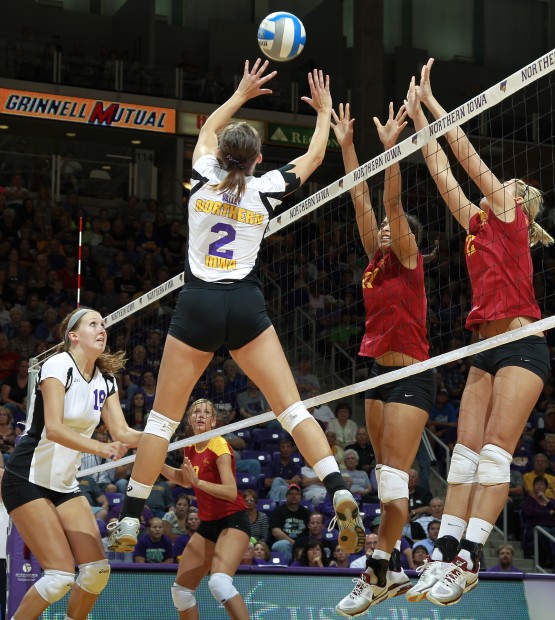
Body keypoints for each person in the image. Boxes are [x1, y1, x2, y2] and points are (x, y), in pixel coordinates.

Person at [108, 59, 364, 558]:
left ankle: (130, 520)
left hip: (199, 302)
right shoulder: (266, 189)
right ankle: (339, 489)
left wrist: (242, 92)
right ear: (258, 159)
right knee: (292, 409)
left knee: (162, 421)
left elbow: (206, 129)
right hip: (245, 305)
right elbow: (313, 158)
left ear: (223, 155)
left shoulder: (203, 175)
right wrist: (323, 114)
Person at [405, 58, 552, 606]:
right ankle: (443, 555)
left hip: (522, 344)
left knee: (493, 455)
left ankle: (470, 558)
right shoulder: (475, 225)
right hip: (483, 346)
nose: (503, 186)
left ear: (520, 203)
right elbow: (442, 171)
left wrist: (439, 104)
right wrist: (418, 118)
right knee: (463, 456)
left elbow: (465, 156)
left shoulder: (509, 216)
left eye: (510, 185)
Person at [332, 100, 435, 617]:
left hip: (413, 371)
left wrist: (391, 152)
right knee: (383, 480)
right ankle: (390, 567)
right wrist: (348, 145)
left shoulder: (409, 257)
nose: (389, 230)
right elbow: (361, 204)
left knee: (395, 479)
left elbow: (391, 206)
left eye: (399, 228)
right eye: (388, 231)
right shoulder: (376, 257)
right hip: (377, 371)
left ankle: (377, 572)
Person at [0, 307, 141, 620]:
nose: (102, 329)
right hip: (27, 478)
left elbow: (122, 432)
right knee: (60, 577)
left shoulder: (107, 379)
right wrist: (100, 447)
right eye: (93, 324)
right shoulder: (58, 364)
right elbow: (55, 428)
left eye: (104, 324)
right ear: (73, 336)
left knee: (96, 572)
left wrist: (159, 436)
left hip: (64, 484)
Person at [159, 398, 251, 619]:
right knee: (180, 593)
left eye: (207, 412)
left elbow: (230, 491)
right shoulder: (189, 446)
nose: (201, 415)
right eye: (196, 411)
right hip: (209, 524)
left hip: (233, 520)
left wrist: (199, 484)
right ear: (190, 419)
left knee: (219, 583)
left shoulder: (219, 445)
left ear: (213, 421)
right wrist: (156, 464)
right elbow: (184, 479)